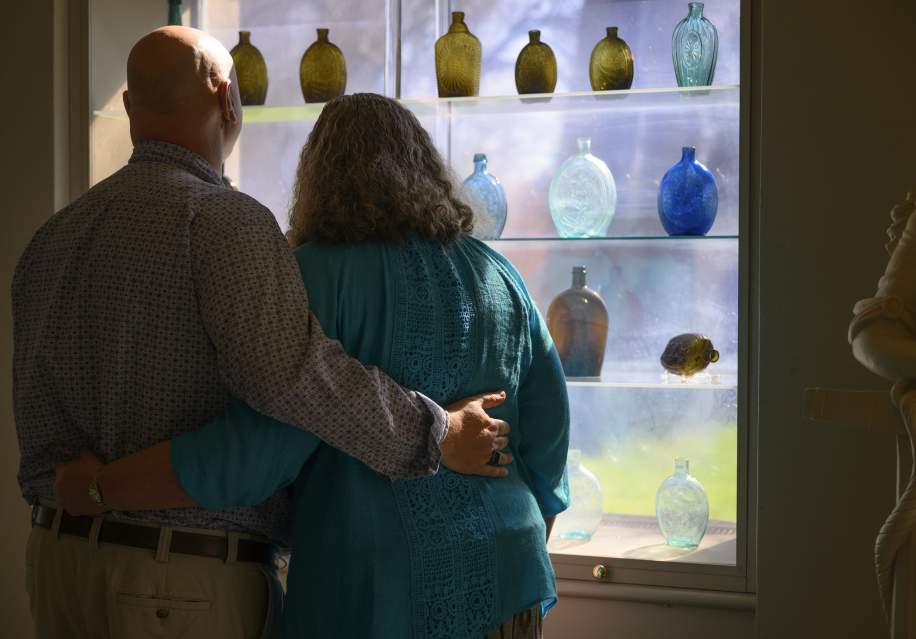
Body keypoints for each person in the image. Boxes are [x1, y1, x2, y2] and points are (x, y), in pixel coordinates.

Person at [13, 27, 509, 639]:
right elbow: (293, 378)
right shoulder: (223, 220)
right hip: (178, 582)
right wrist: (435, 432)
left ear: (128, 107)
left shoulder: (53, 238)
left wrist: (89, 487)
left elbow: (36, 427)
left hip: (58, 560)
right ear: (226, 99)